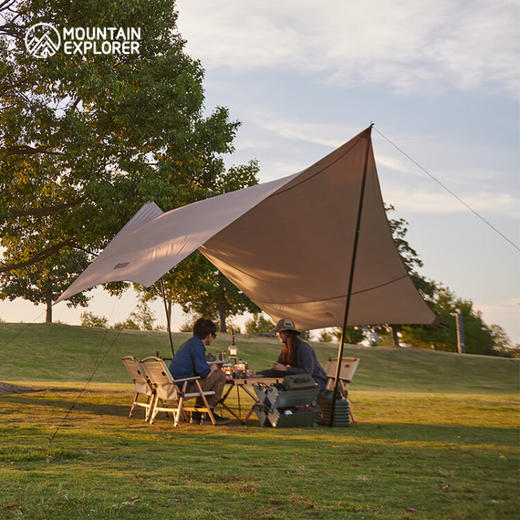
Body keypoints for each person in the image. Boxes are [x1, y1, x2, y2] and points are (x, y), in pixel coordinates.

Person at [169, 318, 231, 425]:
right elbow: (204, 374)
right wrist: (213, 367)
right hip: (183, 388)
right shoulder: (198, 346)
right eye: (213, 336)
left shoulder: (189, 344)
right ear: (209, 335)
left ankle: (197, 414)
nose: (212, 339)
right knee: (220, 375)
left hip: (171, 386)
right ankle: (208, 413)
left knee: (205, 380)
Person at [259, 317, 328, 389]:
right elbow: (277, 370)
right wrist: (258, 374)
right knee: (274, 388)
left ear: (285, 333)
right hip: (302, 382)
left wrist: (286, 369)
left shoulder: (303, 348)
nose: (277, 335)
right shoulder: (286, 349)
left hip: (316, 382)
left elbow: (307, 373)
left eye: (278, 333)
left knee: (279, 390)